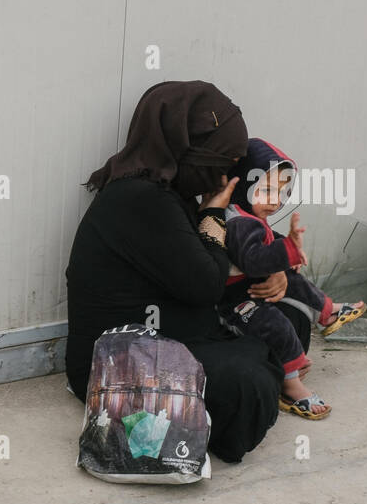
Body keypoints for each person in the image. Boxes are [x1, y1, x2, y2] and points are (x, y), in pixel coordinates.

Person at [65, 80, 312, 463]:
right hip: (118, 362)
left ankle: (256, 371)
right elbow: (207, 284)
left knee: (292, 318)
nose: (227, 173)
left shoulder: (167, 191)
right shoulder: (141, 201)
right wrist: (212, 212)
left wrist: (275, 270)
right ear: (192, 151)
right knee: (248, 384)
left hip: (174, 328)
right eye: (223, 161)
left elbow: (236, 246)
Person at [215, 138, 366, 419]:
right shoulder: (237, 221)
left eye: (282, 193)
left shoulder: (248, 213)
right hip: (234, 301)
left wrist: (288, 253)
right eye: (267, 190)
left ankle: (327, 312)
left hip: (251, 286)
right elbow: (253, 259)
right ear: (245, 184)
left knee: (294, 279)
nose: (275, 201)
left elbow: (266, 240)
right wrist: (287, 251)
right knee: (277, 325)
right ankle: (292, 385)